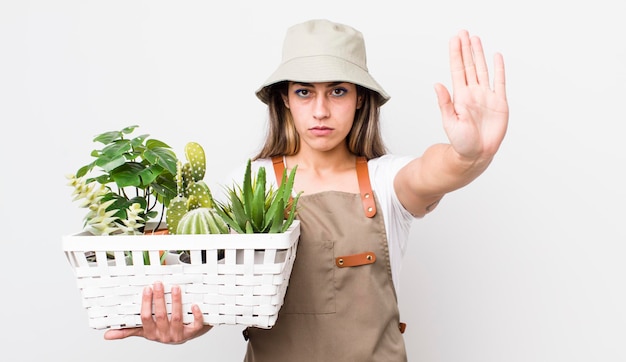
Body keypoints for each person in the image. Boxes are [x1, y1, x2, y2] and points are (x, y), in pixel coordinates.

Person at [104, 18, 508, 361]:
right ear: (284, 99)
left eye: (337, 91)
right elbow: (215, 297)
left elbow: (434, 170)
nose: (320, 110)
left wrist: (470, 154)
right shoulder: (247, 185)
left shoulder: (385, 182)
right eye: (304, 91)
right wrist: (185, 325)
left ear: (360, 101)